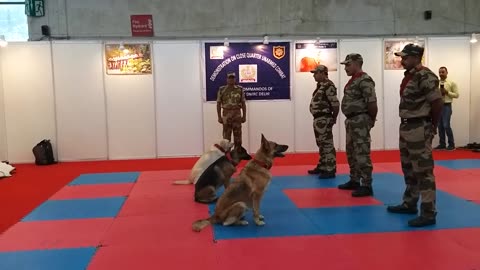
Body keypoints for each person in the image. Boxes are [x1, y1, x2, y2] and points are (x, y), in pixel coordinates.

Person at [387, 43, 443, 227]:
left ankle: (428, 213)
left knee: (424, 171)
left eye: (405, 58)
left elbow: (437, 103)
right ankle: (409, 203)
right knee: (409, 169)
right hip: (407, 127)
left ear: (415, 58)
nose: (402, 61)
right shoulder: (411, 76)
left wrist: (432, 127)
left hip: (419, 127)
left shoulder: (426, 76)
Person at [337, 54, 378, 197]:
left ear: (356, 63)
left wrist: (370, 120)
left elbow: (372, 103)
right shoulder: (353, 81)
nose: (345, 68)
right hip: (351, 121)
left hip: (360, 120)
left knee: (362, 152)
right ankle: (354, 179)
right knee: (351, 152)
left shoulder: (364, 80)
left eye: (348, 65)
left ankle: (366, 184)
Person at [307, 65, 340, 179]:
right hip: (318, 119)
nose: (314, 75)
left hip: (324, 118)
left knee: (327, 144)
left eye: (316, 73)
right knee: (321, 143)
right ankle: (322, 166)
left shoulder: (328, 85)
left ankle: (330, 169)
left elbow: (335, 104)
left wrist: (334, 118)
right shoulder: (320, 86)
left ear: (323, 73)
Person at [216, 72, 246, 150]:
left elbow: (243, 103)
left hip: (237, 114)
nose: (231, 80)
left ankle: (237, 154)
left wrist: (244, 116)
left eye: (233, 78)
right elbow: (218, 104)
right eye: (230, 78)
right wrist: (219, 117)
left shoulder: (240, 89)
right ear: (227, 79)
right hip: (226, 114)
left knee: (238, 136)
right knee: (226, 137)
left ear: (235, 79)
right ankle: (226, 155)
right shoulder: (222, 89)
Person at [434, 66, 459, 151]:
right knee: (439, 126)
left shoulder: (451, 82)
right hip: (438, 106)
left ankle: (451, 144)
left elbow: (457, 95)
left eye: (443, 72)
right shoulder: (436, 82)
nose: (441, 74)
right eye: (440, 72)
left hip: (447, 106)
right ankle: (442, 144)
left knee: (446, 125)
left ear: (447, 72)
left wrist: (447, 92)